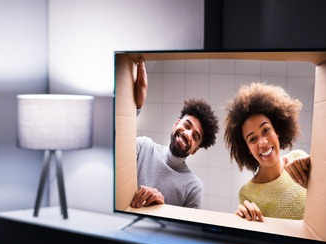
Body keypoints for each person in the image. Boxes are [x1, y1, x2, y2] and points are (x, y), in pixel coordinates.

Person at [130, 57, 219, 209]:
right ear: (176, 124)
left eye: (196, 136)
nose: (188, 134)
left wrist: (163, 210)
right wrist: (136, 108)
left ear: (195, 149)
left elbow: (186, 232)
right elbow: (116, 143)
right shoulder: (143, 146)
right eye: (186, 125)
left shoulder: (193, 187)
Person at [223, 82, 311, 222]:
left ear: (277, 131)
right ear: (247, 149)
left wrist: (318, 172)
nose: (263, 143)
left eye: (266, 130)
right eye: (252, 139)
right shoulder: (247, 194)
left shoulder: (299, 158)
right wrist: (242, 222)